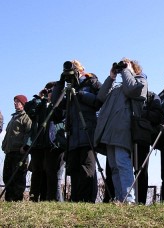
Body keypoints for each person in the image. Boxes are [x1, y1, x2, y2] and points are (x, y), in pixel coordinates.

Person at [94, 58, 148, 203]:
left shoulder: (140, 80)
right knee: (114, 166)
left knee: (122, 163)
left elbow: (133, 90)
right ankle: (120, 198)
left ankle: (129, 199)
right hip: (110, 130)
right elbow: (100, 96)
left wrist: (126, 71)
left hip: (123, 128)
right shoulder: (118, 86)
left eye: (126, 65)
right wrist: (111, 77)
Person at [52, 60, 102, 203]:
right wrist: (60, 84)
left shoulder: (91, 81)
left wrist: (80, 94)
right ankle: (75, 200)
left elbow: (100, 100)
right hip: (73, 134)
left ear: (81, 70)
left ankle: (88, 200)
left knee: (87, 168)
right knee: (73, 168)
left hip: (88, 131)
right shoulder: (68, 87)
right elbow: (57, 104)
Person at [2, 95, 32, 201]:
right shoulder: (13, 117)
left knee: (18, 177)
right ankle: (9, 200)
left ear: (23, 103)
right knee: (7, 176)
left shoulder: (26, 117)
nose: (15, 103)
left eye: (17, 102)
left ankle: (17, 201)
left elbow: (29, 133)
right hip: (9, 151)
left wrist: (25, 147)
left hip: (19, 152)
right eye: (14, 102)